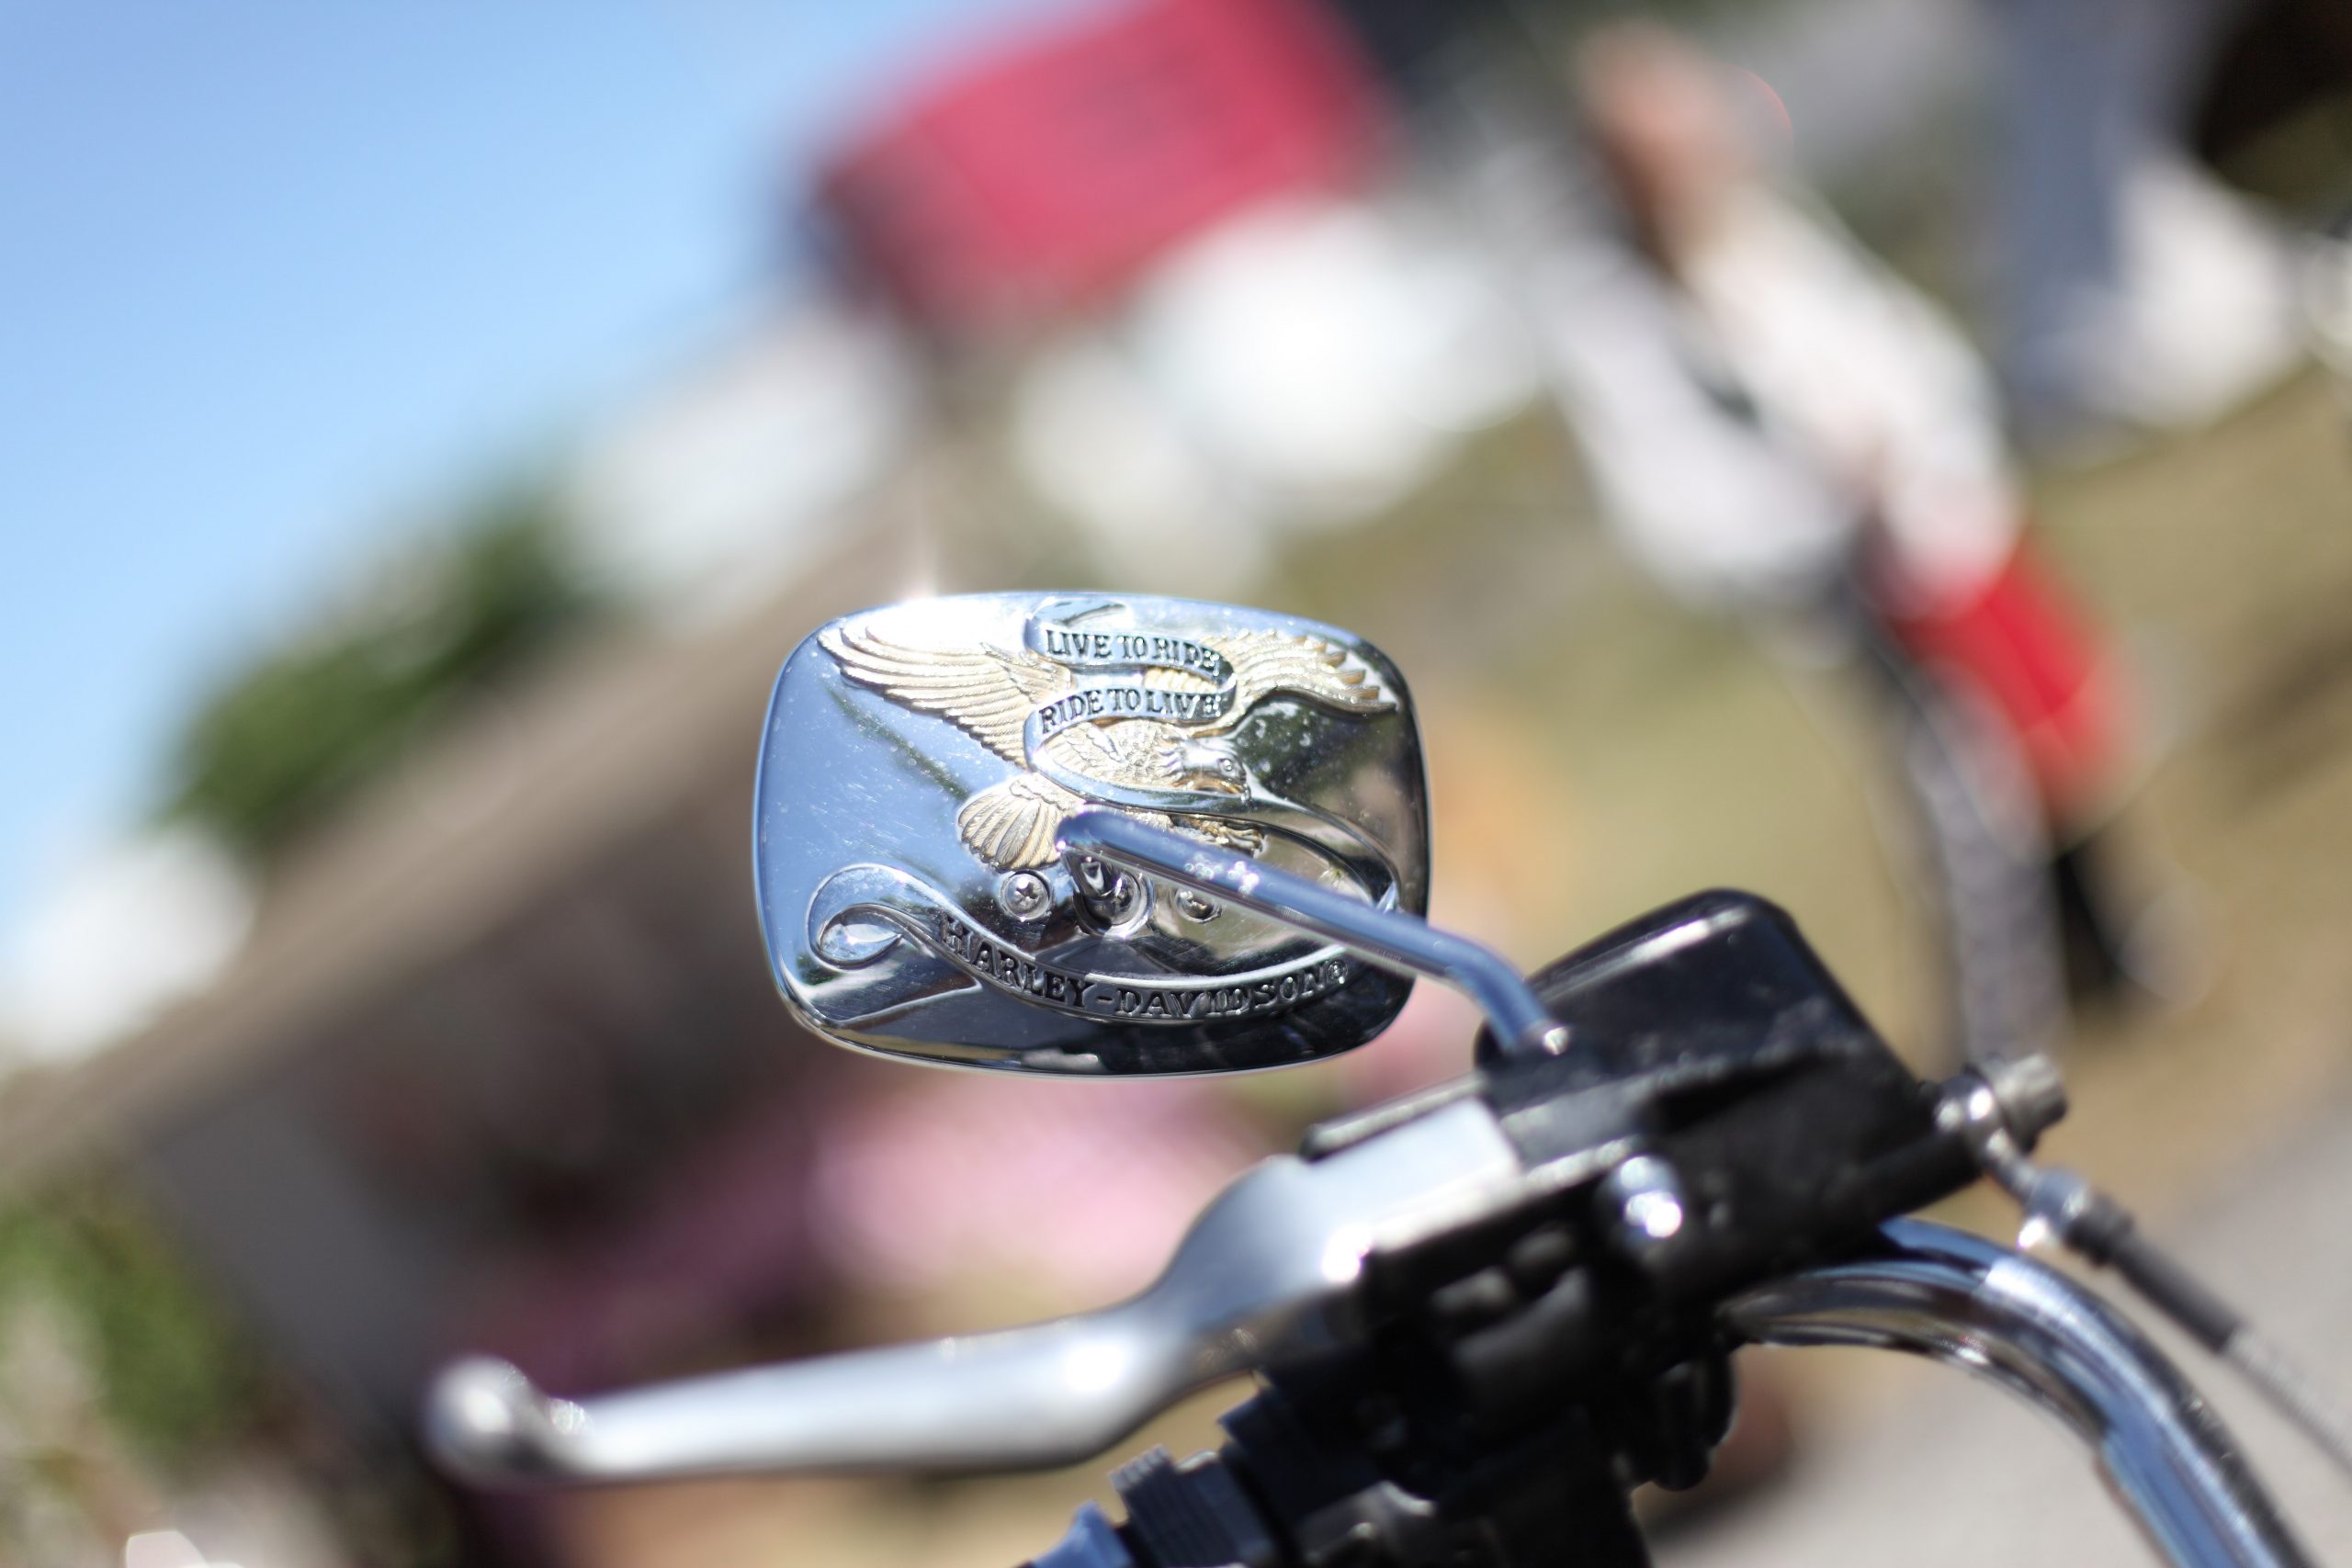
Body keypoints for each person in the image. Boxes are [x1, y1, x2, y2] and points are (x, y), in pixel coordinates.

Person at [1526, 23, 2181, 1060]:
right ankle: (2002, 1033)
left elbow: (1886, 347)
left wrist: (1923, 450)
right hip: (1847, 586)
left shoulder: (1758, 230)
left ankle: (2113, 947)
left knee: (2044, 737)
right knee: (1959, 800)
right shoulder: (1611, 323)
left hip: (1933, 530)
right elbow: (1678, 505)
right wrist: (1818, 510)